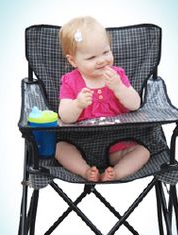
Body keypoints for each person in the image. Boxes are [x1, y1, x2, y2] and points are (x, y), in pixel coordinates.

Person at [55, 16, 150, 182]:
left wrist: (119, 88)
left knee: (143, 152)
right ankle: (85, 171)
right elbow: (65, 116)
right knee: (59, 148)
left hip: (117, 144)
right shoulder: (70, 81)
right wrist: (77, 104)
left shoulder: (117, 75)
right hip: (79, 143)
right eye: (91, 58)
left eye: (105, 52)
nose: (101, 60)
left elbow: (135, 105)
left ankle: (116, 173)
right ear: (73, 61)